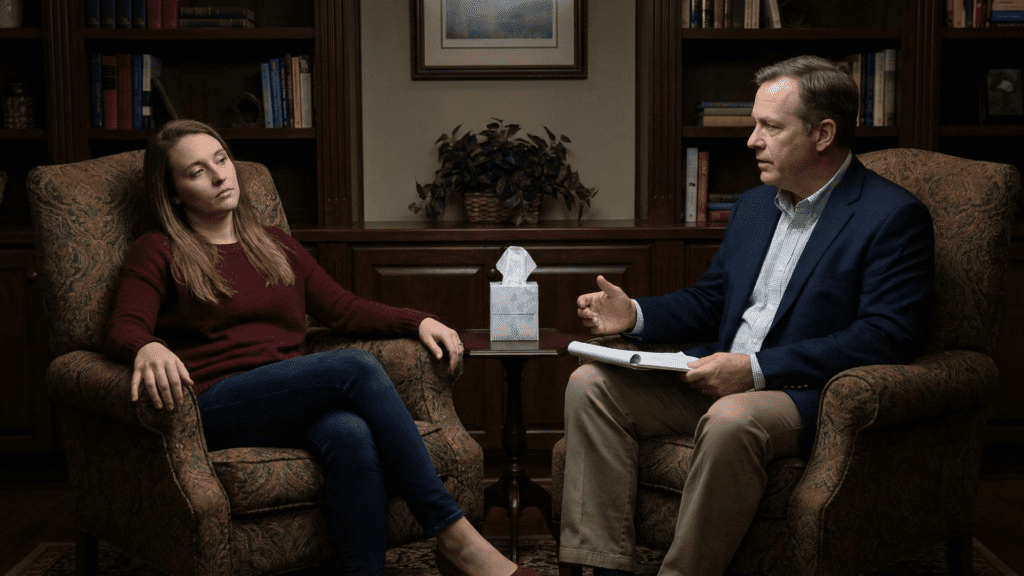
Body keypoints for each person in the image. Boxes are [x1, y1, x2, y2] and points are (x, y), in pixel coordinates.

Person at [103, 119, 537, 576]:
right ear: (172, 192)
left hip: (289, 399)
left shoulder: (274, 245)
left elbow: (344, 309)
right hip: (216, 404)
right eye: (196, 171)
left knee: (350, 433)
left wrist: (419, 320)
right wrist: (145, 346)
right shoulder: (159, 249)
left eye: (221, 160)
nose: (219, 176)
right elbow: (122, 326)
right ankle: (455, 536)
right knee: (354, 366)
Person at [558, 55, 935, 576]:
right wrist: (635, 314)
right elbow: (713, 299)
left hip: (803, 394)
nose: (752, 140)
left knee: (733, 419)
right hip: (719, 374)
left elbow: (886, 336)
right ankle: (599, 565)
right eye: (754, 124)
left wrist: (755, 369)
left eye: (770, 127)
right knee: (590, 384)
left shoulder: (892, 216)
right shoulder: (756, 206)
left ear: (823, 133)